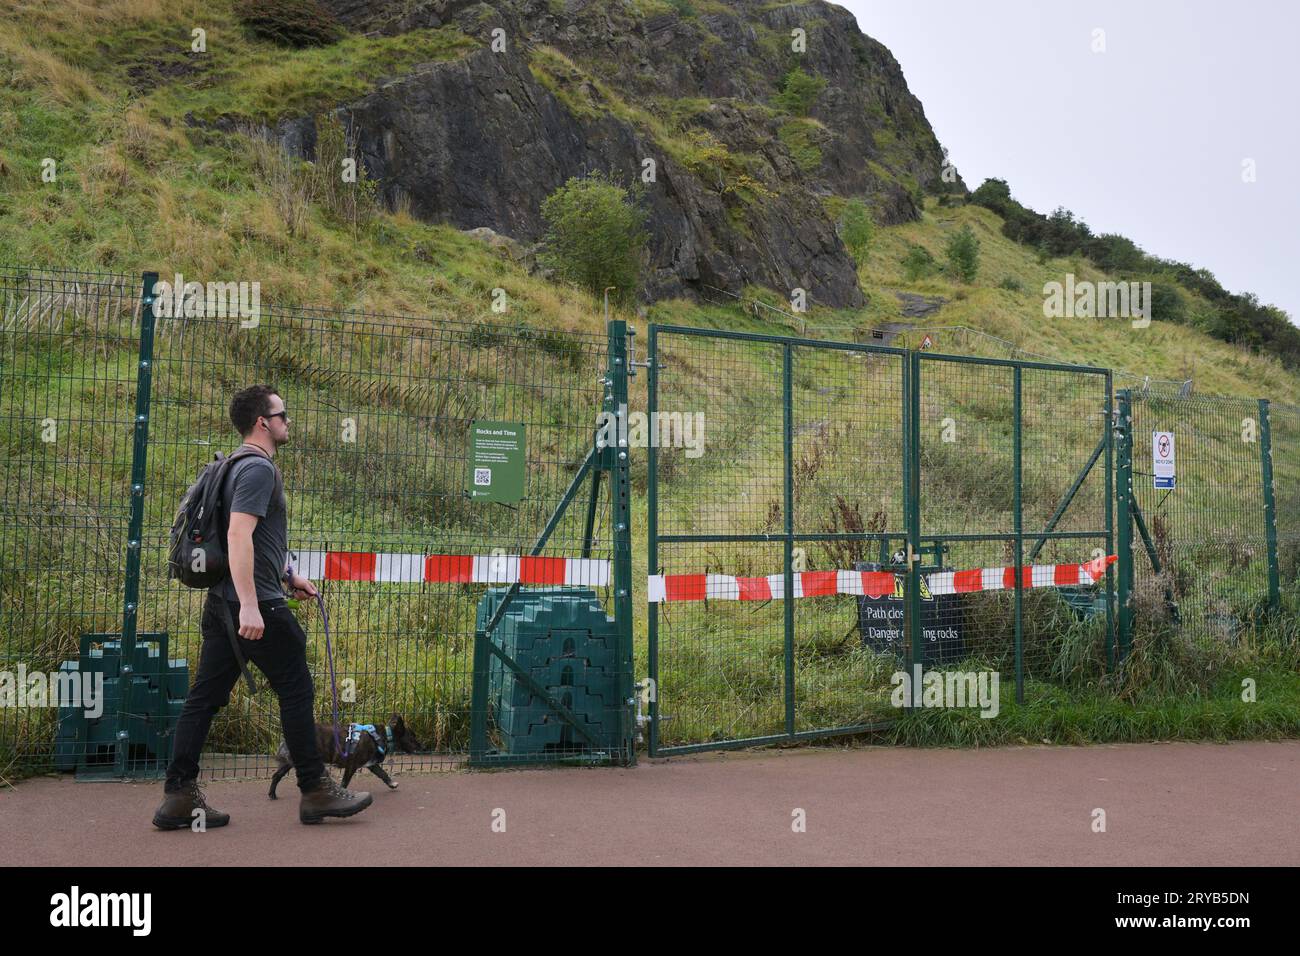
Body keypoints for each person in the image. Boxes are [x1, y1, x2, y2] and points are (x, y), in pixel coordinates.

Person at [154, 385, 372, 828]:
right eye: (282, 414)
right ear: (262, 422)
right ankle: (315, 789)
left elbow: (256, 539)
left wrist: (288, 576)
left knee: (204, 699)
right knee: (296, 689)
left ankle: (178, 796)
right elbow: (237, 535)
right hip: (253, 607)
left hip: (222, 603)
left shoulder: (231, 465)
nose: (288, 422)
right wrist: (252, 605)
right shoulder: (258, 469)